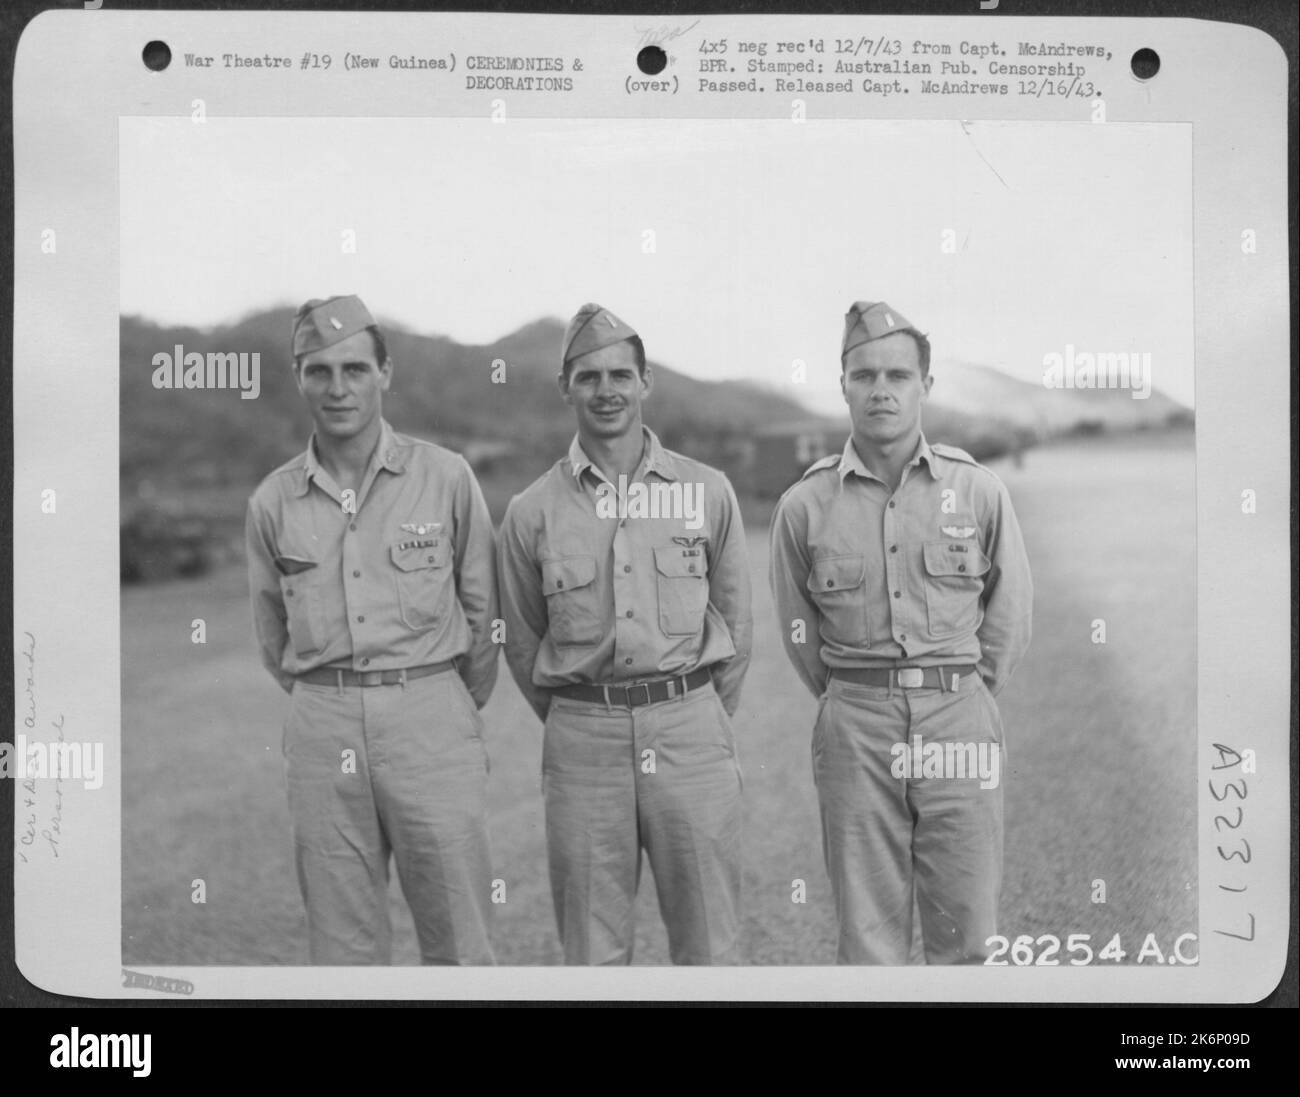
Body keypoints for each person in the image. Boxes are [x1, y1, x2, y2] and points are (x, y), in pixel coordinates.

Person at [769, 300, 1032, 964]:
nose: (880, 389)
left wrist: (961, 692)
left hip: (958, 720)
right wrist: (858, 694)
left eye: (897, 375)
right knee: (868, 941)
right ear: (843, 385)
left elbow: (1009, 614)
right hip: (856, 724)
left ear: (925, 386)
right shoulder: (805, 505)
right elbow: (799, 628)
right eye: (864, 376)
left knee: (967, 935)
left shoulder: (976, 491)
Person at [245, 294, 499, 965]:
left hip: (429, 714)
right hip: (322, 720)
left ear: (384, 373)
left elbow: (484, 610)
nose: (337, 387)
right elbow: (271, 630)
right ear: (299, 376)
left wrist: (439, 700)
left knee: (459, 936)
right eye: (318, 370)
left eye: (354, 369)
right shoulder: (273, 500)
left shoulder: (445, 477)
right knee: (342, 947)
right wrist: (329, 693)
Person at [496, 303, 752, 965]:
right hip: (584, 741)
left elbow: (736, 621)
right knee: (593, 951)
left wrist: (693, 707)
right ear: (566, 387)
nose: (606, 389)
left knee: (710, 945)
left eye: (620, 374)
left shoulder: (705, 491)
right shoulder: (531, 512)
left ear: (645, 383)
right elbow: (523, 641)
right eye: (588, 377)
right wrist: (585, 715)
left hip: (690, 730)